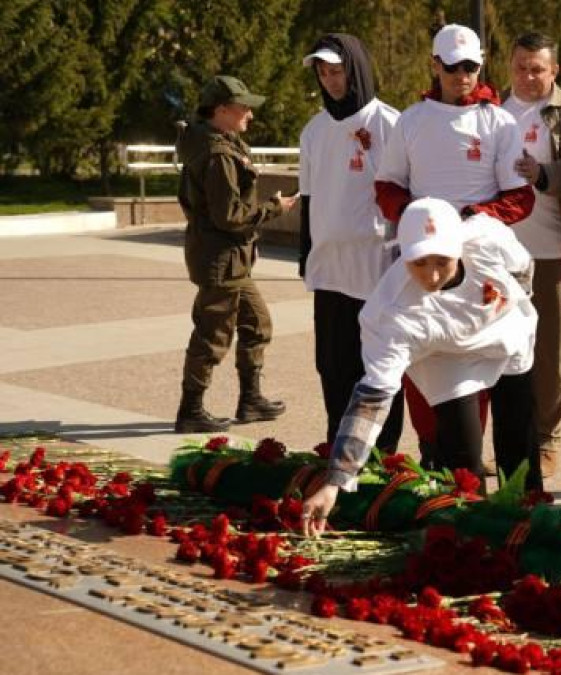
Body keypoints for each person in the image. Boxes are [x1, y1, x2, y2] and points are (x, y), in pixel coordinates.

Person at [301, 197, 541, 535]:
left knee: (519, 434)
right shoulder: (389, 313)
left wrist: (519, 296)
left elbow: (523, 266)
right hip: (446, 360)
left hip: (504, 334)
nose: (432, 274)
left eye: (443, 260)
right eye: (419, 262)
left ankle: (531, 525)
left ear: (459, 247)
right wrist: (336, 480)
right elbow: (371, 400)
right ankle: (478, 533)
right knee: (464, 459)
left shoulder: (488, 237)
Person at [375, 23, 534, 468]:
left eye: (470, 66)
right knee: (423, 351)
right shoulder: (410, 120)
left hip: (481, 258)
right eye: (452, 67)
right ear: (435, 66)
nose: (462, 75)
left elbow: (520, 197)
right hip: (425, 257)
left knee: (488, 353)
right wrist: (418, 220)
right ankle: (436, 453)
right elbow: (387, 186)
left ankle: (486, 466)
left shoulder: (500, 122)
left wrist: (471, 219)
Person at [297, 34, 405, 451]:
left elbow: (405, 195)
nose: (330, 80)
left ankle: (383, 453)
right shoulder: (314, 130)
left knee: (377, 366)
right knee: (331, 365)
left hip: (375, 267)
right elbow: (309, 199)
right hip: (329, 270)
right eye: (323, 73)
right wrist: (306, 256)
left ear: (355, 69)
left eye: (337, 71)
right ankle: (337, 447)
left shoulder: (390, 123)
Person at [174, 75, 295, 433]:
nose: (250, 115)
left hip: (231, 259)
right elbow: (229, 216)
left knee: (257, 324)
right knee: (212, 336)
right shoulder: (217, 155)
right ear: (221, 110)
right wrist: (273, 208)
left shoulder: (220, 143)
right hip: (221, 260)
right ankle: (190, 410)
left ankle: (250, 401)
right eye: (244, 108)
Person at [501, 32, 561, 478]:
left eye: (537, 69)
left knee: (550, 358)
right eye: (521, 67)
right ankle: (512, 444)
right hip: (500, 254)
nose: (528, 76)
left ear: (554, 70)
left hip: (553, 252)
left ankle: (546, 440)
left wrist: (542, 174)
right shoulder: (491, 110)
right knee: (502, 352)